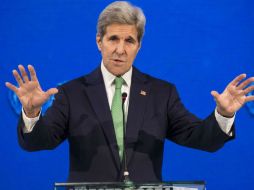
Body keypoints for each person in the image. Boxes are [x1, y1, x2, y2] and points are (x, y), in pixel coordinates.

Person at [5, 1, 254, 183]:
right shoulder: (72, 93)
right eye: (113, 39)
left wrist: (223, 114)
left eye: (129, 41)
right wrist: (31, 110)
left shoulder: (161, 93)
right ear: (99, 42)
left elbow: (201, 138)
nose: (120, 50)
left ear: (139, 47)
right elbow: (39, 142)